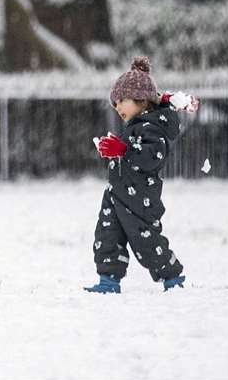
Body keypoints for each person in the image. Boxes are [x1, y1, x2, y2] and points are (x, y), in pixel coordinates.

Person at [83, 56, 199, 294]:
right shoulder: (135, 126)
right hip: (117, 194)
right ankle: (108, 281)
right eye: (114, 103)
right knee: (106, 235)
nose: (117, 108)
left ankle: (172, 277)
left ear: (141, 100)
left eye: (121, 101)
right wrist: (114, 151)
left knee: (146, 242)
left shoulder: (153, 128)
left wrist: (123, 149)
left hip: (140, 199)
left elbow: (151, 157)